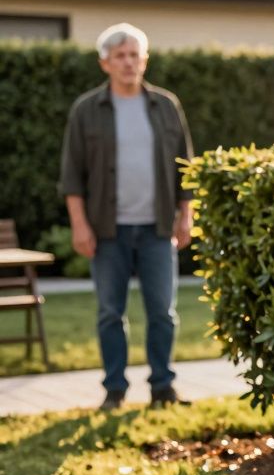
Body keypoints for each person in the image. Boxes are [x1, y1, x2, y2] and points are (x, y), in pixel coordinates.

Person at [58, 23, 195, 411]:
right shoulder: (87, 110)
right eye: (120, 56)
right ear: (105, 63)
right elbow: (72, 174)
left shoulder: (166, 105)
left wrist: (186, 216)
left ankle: (163, 387)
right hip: (106, 231)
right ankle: (114, 390)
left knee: (163, 314)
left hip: (156, 229)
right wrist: (80, 224)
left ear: (145, 59)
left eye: (135, 54)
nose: (128, 62)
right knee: (109, 313)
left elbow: (186, 166)